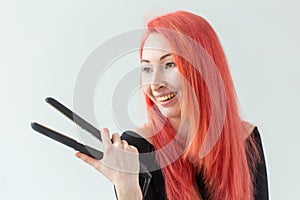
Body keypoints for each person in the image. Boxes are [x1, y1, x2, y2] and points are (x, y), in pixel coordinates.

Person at [75, 10, 269, 200]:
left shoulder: (245, 138)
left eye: (169, 65)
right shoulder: (138, 147)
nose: (155, 84)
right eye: (147, 68)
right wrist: (126, 186)